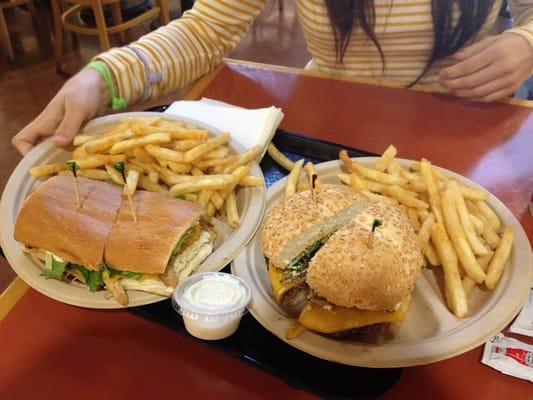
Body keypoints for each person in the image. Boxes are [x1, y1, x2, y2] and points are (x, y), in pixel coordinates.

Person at [12, 0, 533, 155]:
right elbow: (202, 33)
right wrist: (102, 78)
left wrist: (523, 44)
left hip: (464, 135)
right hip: (329, 137)